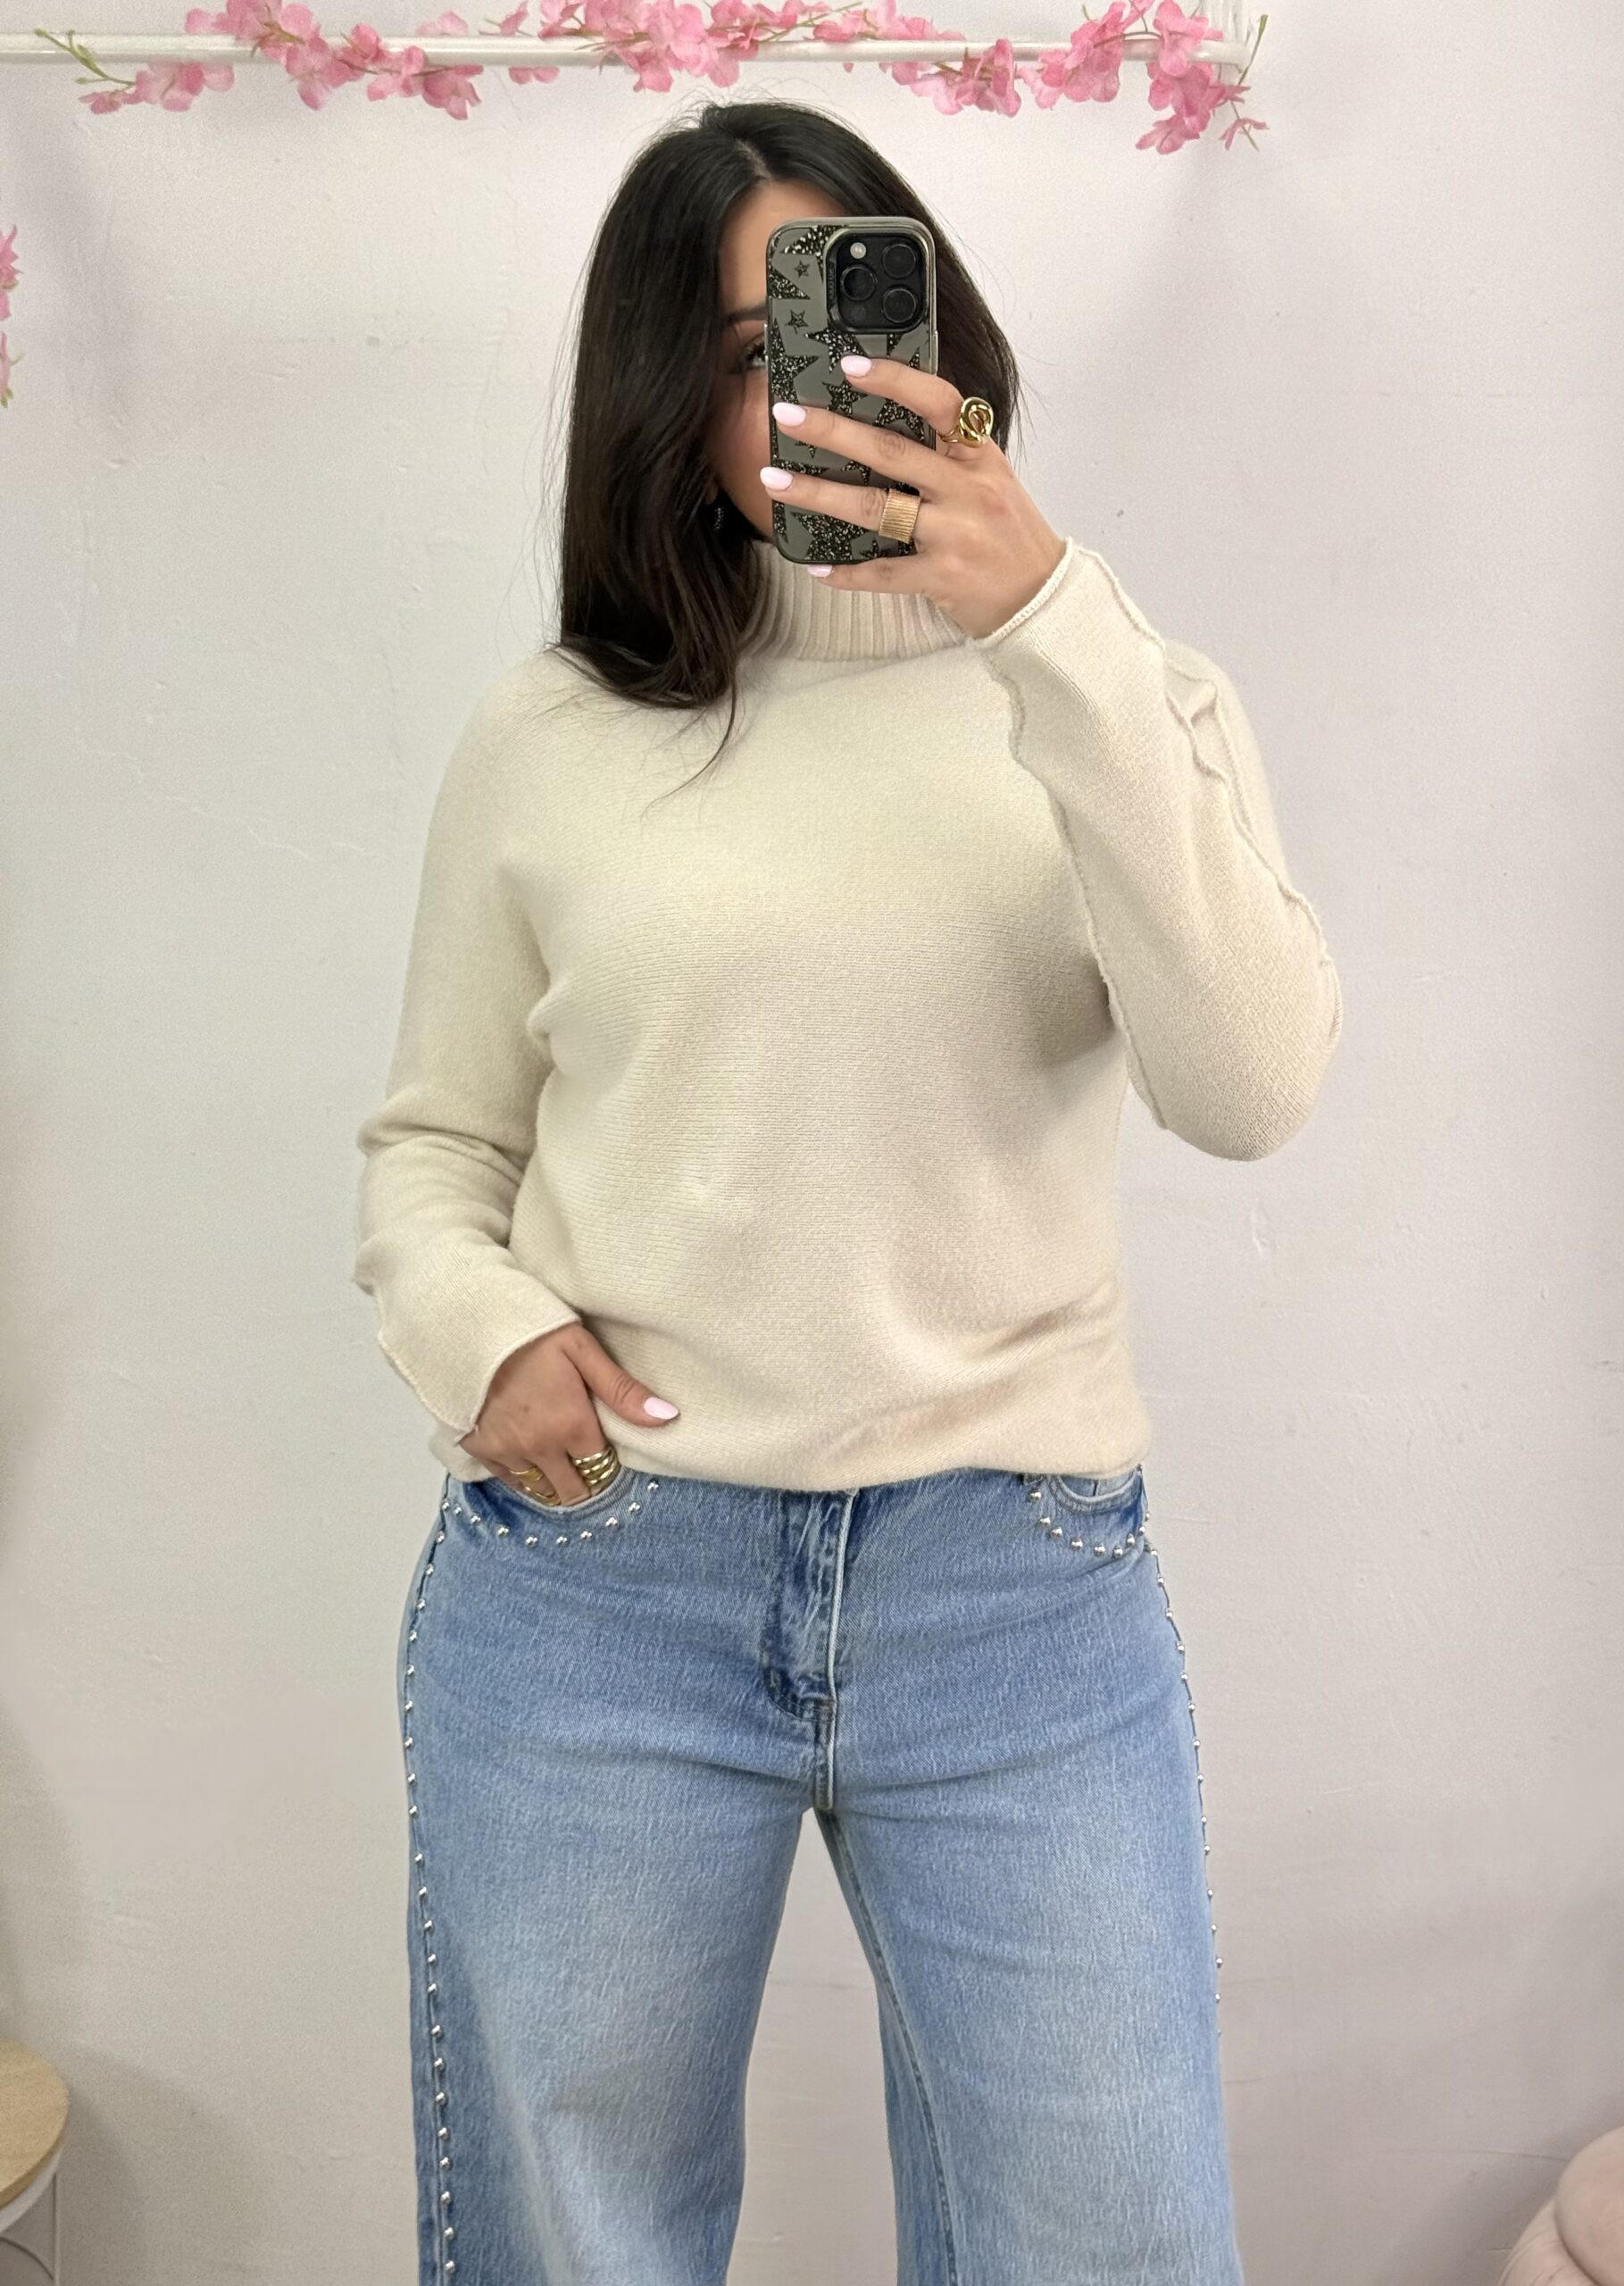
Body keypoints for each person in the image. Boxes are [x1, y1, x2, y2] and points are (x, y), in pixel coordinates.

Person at [353, 95, 1341, 2286]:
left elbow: (1252, 1084)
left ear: (941, 326)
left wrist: (1051, 621)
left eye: (853, 309)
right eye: (746, 351)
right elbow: (436, 1143)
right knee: (575, 2244)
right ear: (663, 404)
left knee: (1114, 2239)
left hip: (1015, 1586)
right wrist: (483, 1332)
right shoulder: (558, 732)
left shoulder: (1123, 690)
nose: (816, 384)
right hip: (609, 1575)